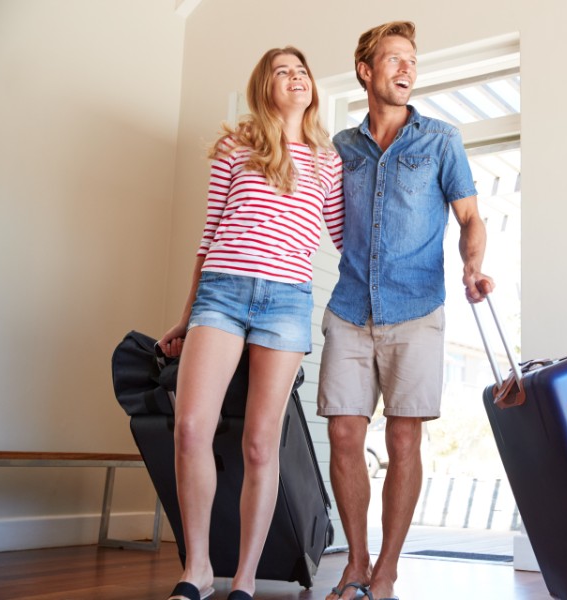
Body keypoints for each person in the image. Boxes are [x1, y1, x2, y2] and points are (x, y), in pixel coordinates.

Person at [157, 46, 344, 600]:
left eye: (303, 71)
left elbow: (345, 239)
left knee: (261, 444)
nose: (296, 78)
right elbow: (208, 234)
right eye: (283, 71)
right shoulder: (236, 146)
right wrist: (187, 319)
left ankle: (243, 580)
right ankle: (198, 569)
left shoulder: (327, 161)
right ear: (265, 86)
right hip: (223, 291)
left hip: (287, 303)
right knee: (191, 427)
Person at [318, 21, 494, 600]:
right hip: (349, 308)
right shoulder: (341, 148)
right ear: (366, 71)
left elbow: (470, 218)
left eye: (412, 61)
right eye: (394, 59)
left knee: (403, 440)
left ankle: (387, 570)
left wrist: (472, 267)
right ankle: (356, 563)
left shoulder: (440, 140)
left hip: (416, 309)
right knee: (344, 434)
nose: (407, 69)